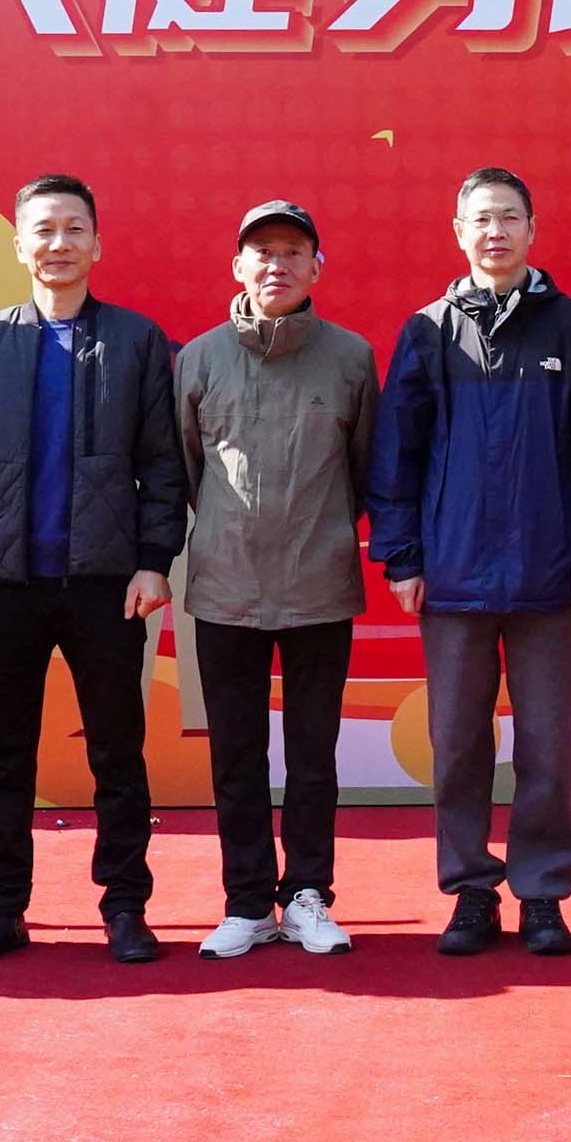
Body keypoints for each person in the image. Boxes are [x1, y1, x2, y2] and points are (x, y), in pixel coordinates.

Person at [0, 174, 184, 964]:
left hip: (107, 585)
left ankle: (125, 907)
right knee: (4, 753)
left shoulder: (136, 340)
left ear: (97, 245)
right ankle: (1, 909)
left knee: (117, 752)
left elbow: (163, 464)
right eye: (43, 230)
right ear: (19, 246)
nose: (59, 244)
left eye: (74, 229)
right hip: (4, 583)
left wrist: (153, 561)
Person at [369, 166, 571, 958]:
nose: (495, 231)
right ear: (459, 232)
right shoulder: (427, 331)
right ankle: (470, 887)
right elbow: (396, 457)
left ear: (532, 230)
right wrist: (403, 557)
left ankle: (542, 892)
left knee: (547, 745)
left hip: (548, 573)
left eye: (510, 217)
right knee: (457, 744)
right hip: (452, 575)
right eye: (481, 218)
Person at [175, 198, 379, 959]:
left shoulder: (350, 357)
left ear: (316, 268)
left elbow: (365, 469)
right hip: (225, 586)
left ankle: (308, 896)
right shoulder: (200, 358)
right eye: (262, 253)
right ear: (238, 267)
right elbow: (185, 468)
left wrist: (323, 532)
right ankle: (246, 902)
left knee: (313, 755)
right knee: (236, 756)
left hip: (320, 583)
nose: (277, 265)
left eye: (293, 252)